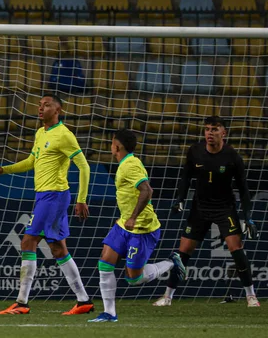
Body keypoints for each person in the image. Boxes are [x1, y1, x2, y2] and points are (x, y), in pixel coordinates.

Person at [0, 93, 94, 316]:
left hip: (54, 196)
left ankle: (21, 302)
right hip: (45, 197)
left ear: (58, 111)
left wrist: (82, 199)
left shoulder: (64, 135)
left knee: (28, 241)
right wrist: (5, 170)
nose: (41, 108)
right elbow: (31, 161)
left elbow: (84, 167)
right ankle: (83, 300)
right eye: (40, 105)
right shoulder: (40, 133)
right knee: (58, 249)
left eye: (47, 106)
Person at [153, 116, 260, 308]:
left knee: (236, 249)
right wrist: (180, 200)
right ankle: (167, 296)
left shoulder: (233, 157)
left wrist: (248, 217)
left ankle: (251, 296)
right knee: (183, 252)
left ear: (223, 133)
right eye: (207, 129)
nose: (210, 133)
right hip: (199, 208)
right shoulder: (195, 152)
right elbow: (185, 178)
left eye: (214, 129)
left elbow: (244, 189)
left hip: (224, 208)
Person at [88, 129, 186, 323]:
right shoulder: (126, 163)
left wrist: (133, 217)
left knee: (134, 278)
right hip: (123, 225)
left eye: (112, 142)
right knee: (105, 263)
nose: (111, 146)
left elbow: (147, 190)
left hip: (141, 229)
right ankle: (109, 313)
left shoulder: (130, 165)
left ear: (117, 146)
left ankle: (172, 262)